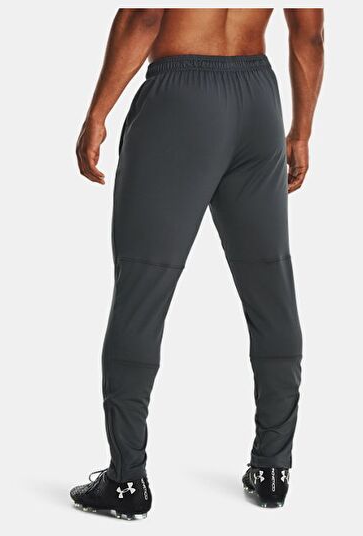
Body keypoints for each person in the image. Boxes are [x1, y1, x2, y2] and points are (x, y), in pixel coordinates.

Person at [71, 8, 324, 520]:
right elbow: (310, 32)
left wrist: (98, 112)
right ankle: (273, 468)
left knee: (143, 286)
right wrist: (301, 130)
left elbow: (144, 15)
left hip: (180, 98)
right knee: (269, 282)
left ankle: (126, 480)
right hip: (258, 99)